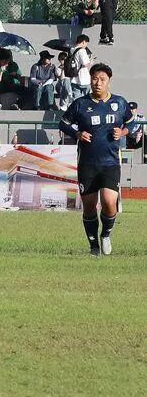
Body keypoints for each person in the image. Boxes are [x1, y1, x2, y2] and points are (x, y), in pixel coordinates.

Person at [59, 63, 133, 256]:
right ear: (90, 80)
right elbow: (63, 123)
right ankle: (93, 247)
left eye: (102, 79)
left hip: (110, 163)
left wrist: (122, 132)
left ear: (109, 82)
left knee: (109, 202)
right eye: (94, 79)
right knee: (89, 206)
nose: (98, 83)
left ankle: (106, 234)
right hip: (87, 163)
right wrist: (77, 134)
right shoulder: (80, 104)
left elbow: (132, 124)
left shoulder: (119, 103)